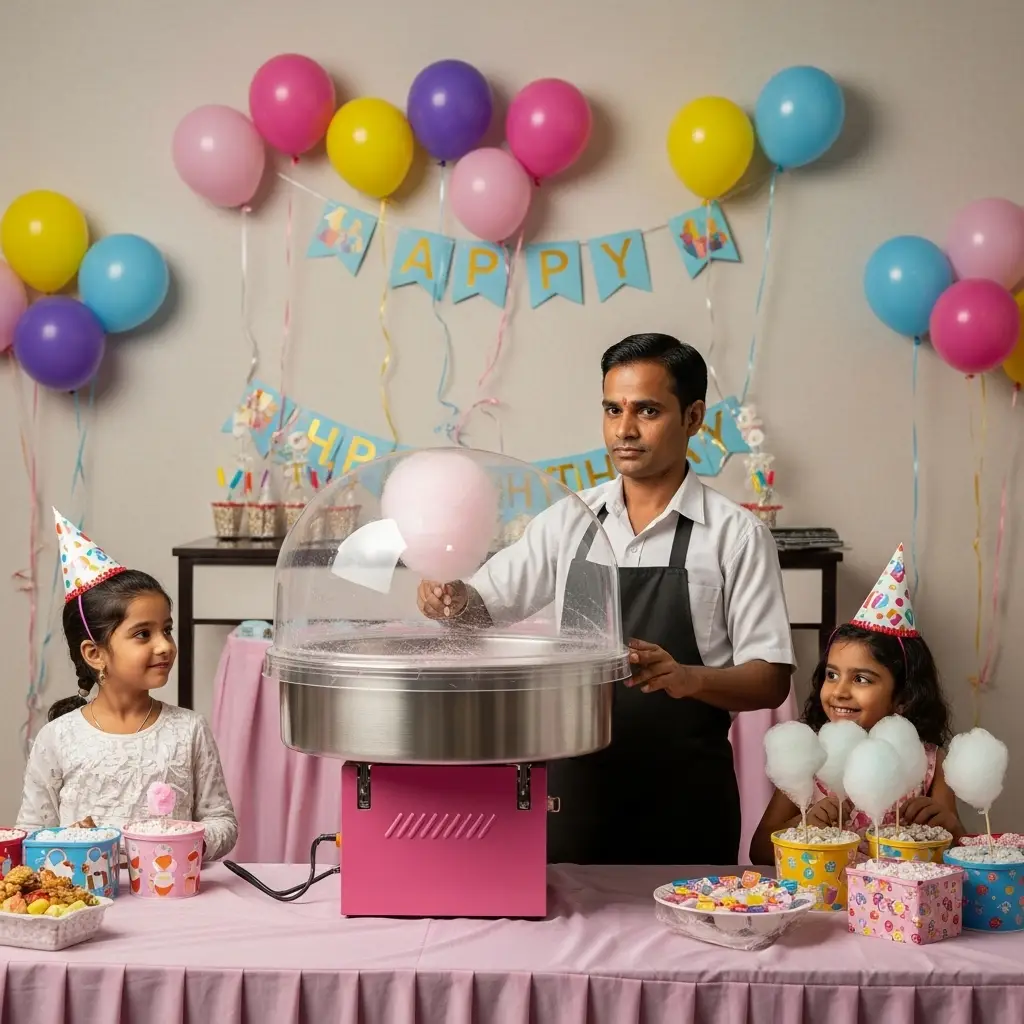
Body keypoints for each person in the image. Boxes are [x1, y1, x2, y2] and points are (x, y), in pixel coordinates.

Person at [418, 333, 794, 865]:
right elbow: (480, 608)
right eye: (612, 409)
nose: (625, 429)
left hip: (686, 800)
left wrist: (686, 677)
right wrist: (449, 598)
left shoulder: (735, 536)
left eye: (647, 410)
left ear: (693, 418)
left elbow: (771, 679)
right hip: (575, 795)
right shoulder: (570, 519)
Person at [16, 510, 238, 861]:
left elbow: (222, 822)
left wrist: (179, 839)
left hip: (171, 897)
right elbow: (30, 834)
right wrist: (72, 840)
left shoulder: (189, 730)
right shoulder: (57, 739)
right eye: (142, 634)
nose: (164, 645)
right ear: (95, 653)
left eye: (167, 629)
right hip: (84, 901)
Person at [750, 545, 962, 865]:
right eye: (832, 675)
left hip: (899, 910)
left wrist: (948, 826)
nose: (840, 691)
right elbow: (759, 851)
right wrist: (804, 825)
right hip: (825, 905)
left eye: (862, 679)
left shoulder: (931, 765)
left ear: (903, 697)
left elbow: (958, 847)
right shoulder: (809, 760)